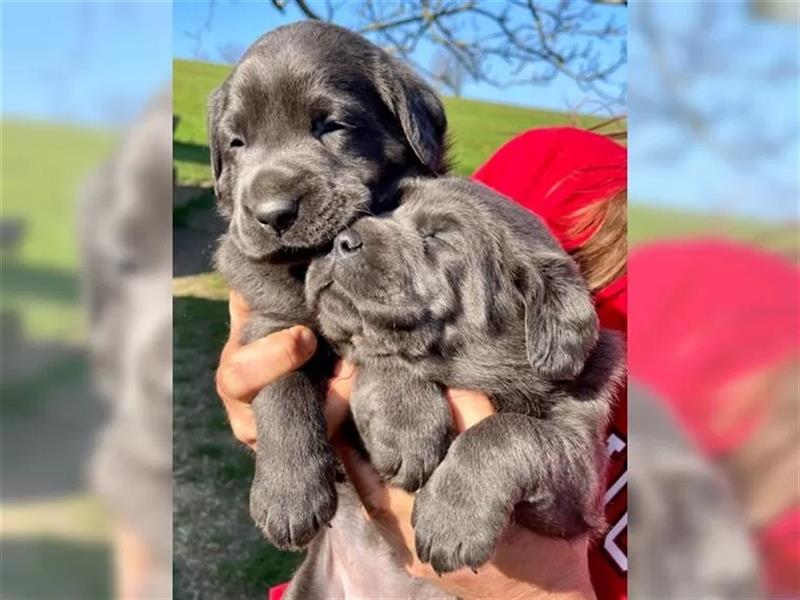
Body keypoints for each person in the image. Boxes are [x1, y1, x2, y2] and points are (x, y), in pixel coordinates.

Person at [216, 126, 628, 600]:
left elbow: (568, 466)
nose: (353, 236)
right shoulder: (562, 168)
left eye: (436, 240)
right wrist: (278, 380)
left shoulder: (581, 367)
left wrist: (538, 592)